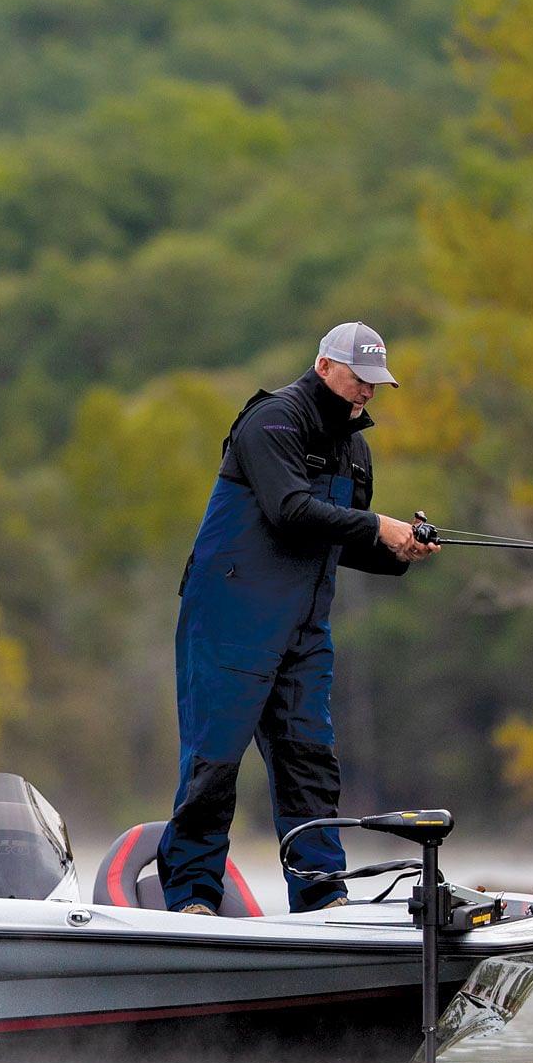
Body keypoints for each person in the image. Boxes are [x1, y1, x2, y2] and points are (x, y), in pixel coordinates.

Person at [157, 321, 437, 915]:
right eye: (358, 379)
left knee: (310, 762)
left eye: (375, 383)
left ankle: (321, 898)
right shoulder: (272, 422)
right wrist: (377, 526)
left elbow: (348, 542)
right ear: (324, 366)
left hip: (303, 631)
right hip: (230, 619)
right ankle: (191, 898)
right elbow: (291, 512)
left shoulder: (355, 451)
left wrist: (400, 550)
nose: (366, 392)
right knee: (214, 763)